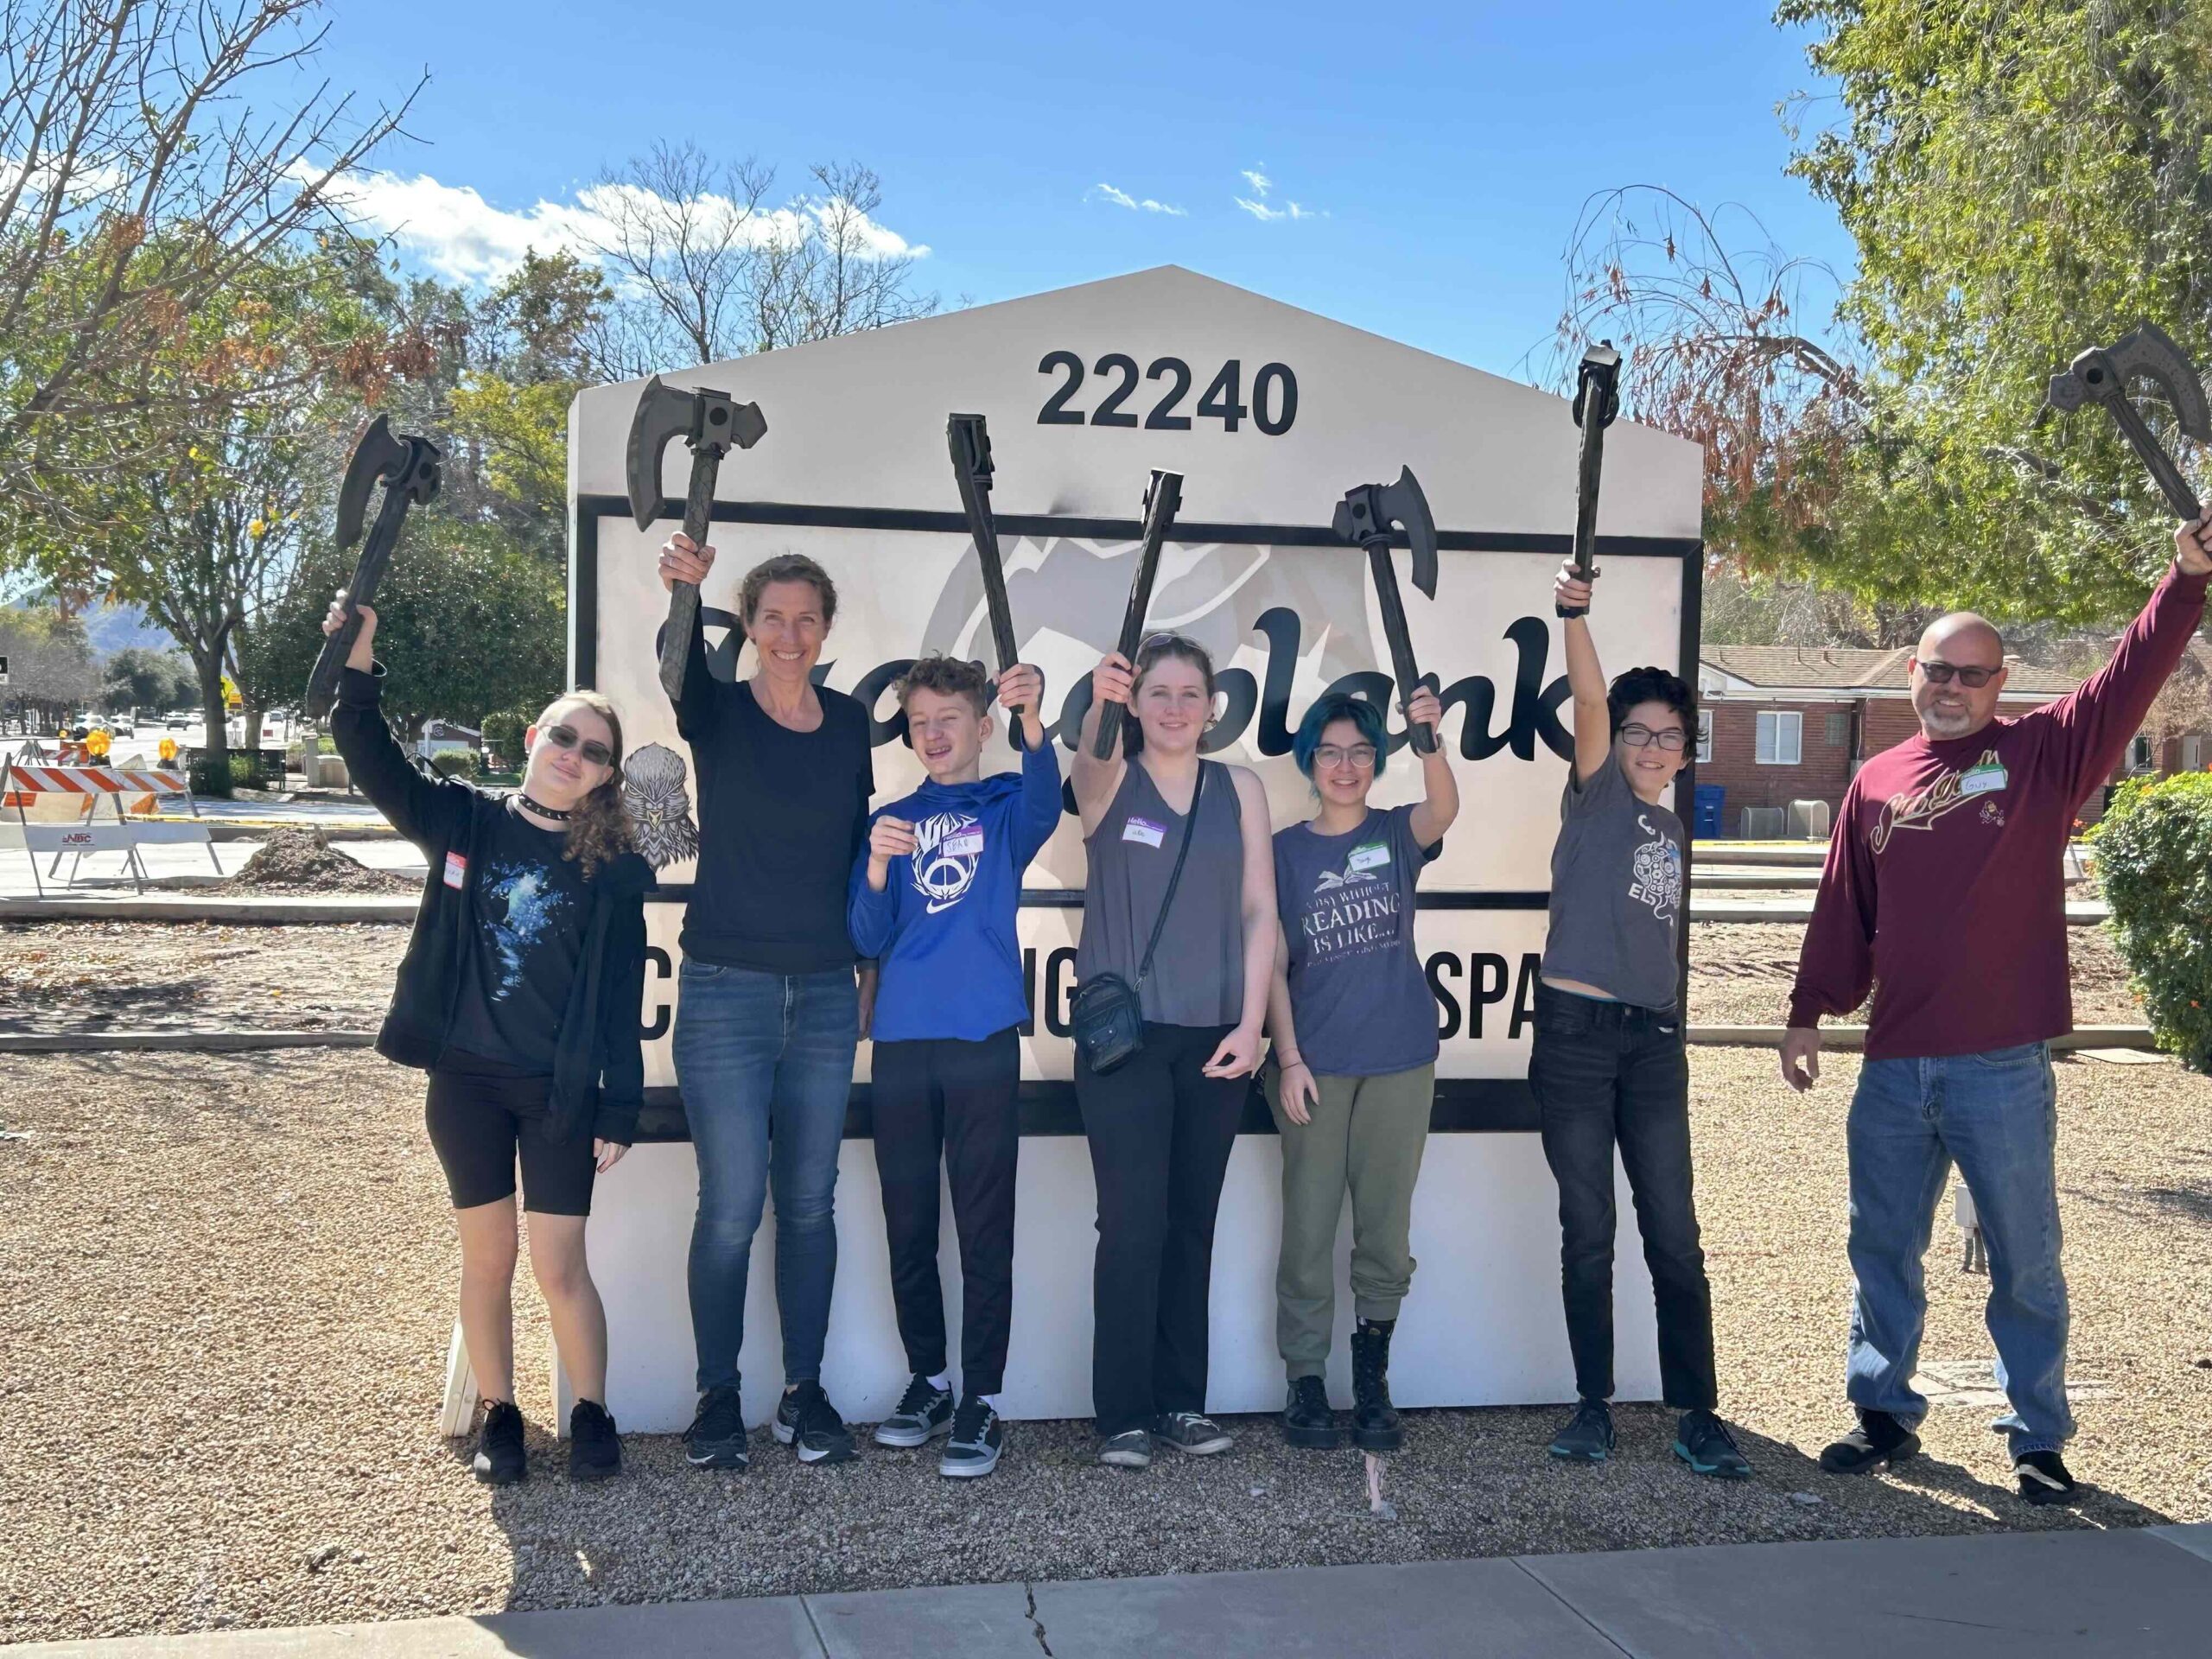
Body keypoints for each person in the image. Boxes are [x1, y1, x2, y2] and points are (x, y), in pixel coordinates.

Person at [1783, 515, 2212, 1505]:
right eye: (1936, 669)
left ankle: (2036, 1438)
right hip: (1893, 1065)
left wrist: (2184, 580)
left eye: (1971, 674)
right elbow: (1844, 906)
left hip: (1999, 1067)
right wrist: (1808, 1009)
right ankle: (1882, 1415)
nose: (1951, 686)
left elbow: (2125, 678)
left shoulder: (2044, 757)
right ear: (1910, 676)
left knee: (2025, 1260)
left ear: (2000, 683)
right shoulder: (1875, 782)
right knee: (1882, 1246)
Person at [323, 598, 651, 1486]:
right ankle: (502, 1419)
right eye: (563, 737)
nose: (572, 757)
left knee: (561, 1265)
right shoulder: (464, 822)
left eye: (592, 751)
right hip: (464, 1082)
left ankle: (591, 1414)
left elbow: (623, 996)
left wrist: (619, 1105)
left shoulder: (614, 870)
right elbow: (371, 757)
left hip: (557, 1090)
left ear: (605, 776)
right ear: (533, 735)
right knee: (487, 1259)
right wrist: (359, 659)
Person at [656, 533, 875, 1470]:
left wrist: (870, 970)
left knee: (811, 1205)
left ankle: (803, 1392)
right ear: (745, 628)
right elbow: (673, 666)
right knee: (732, 1207)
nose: (789, 635)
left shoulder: (852, 722)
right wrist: (679, 592)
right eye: (772, 619)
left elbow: (857, 854)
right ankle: (716, 1397)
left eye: (805, 620)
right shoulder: (716, 710)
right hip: (724, 993)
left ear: (826, 631)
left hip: (826, 992)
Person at [1534, 562, 1750, 1480]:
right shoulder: (1598, 800)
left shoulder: (1671, 829)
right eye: (1638, 735)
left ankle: (1695, 1412)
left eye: (1670, 737)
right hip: (1576, 1044)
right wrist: (1572, 620)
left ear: (1688, 749)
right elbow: (1586, 704)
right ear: (1614, 743)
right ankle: (1592, 1406)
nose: (1653, 749)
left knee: (1674, 1233)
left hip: (1654, 1046)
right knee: (1588, 1228)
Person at [848, 656, 1059, 1478]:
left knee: (982, 1225)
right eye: (921, 721)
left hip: (981, 1040)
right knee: (908, 1221)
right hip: (901, 1040)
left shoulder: (1005, 803)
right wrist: (873, 864)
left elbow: (1049, 797)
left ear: (980, 726)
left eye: (950, 719)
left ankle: (985, 1398)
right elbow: (864, 936)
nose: (934, 735)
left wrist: (1032, 720)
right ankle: (929, 1381)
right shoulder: (891, 818)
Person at [1070, 633, 1277, 1469]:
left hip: (1217, 1039)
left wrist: (1253, 1022)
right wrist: (1097, 704)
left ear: (1213, 707)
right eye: (1159, 692)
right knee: (1130, 1226)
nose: (1176, 707)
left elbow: (1261, 910)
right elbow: (1085, 765)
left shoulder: (1243, 790)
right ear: (1135, 700)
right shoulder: (1110, 777)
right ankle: (1121, 1412)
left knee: (1192, 1224)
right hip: (1125, 1043)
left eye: (1192, 693)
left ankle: (1180, 1402)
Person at [1265, 688, 1458, 1451]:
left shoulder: (1394, 832)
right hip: (1314, 1065)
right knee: (1307, 1228)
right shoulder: (1282, 851)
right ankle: (1305, 1380)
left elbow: (1442, 808)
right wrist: (1287, 1058)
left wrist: (1430, 738)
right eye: (1330, 751)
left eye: (1360, 752)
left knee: (1385, 1228)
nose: (1345, 766)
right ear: (1309, 760)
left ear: (1376, 761)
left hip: (1401, 1059)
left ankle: (1371, 1376)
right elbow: (1272, 964)